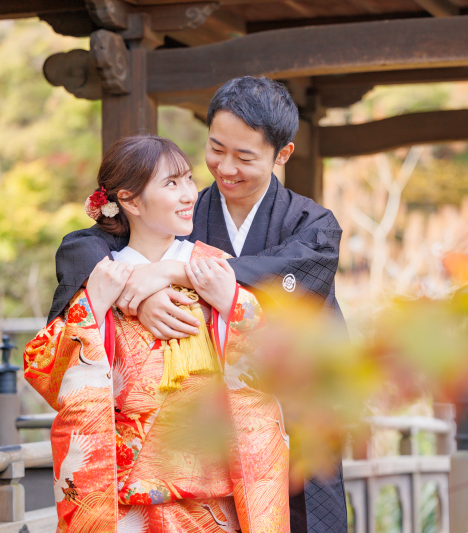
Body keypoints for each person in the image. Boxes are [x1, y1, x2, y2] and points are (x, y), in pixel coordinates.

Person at [47, 76, 348, 532]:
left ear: (282, 154)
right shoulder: (182, 212)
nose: (225, 168)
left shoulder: (312, 225)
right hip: (196, 441)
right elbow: (87, 245)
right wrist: (136, 295)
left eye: (245, 157)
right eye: (215, 148)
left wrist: (174, 272)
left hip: (296, 412)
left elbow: (298, 290)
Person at [24, 135, 289, 532]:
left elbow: (278, 362)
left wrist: (233, 303)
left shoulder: (214, 268)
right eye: (171, 184)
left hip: (216, 493)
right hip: (128, 494)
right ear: (130, 201)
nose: (189, 195)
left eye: (188, 180)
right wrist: (94, 305)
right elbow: (48, 371)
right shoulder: (104, 276)